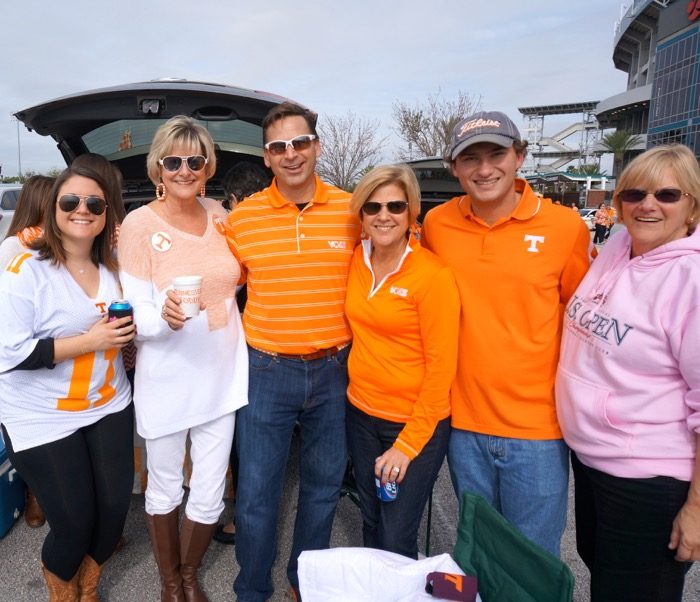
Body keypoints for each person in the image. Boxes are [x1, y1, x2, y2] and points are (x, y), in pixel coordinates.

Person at [421, 110, 590, 557]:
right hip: (465, 425)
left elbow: (585, 320)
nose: (484, 169)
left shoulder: (564, 227)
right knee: (482, 552)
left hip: (538, 429)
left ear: (519, 156)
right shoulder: (436, 225)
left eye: (496, 154)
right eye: (470, 158)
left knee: (532, 559)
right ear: (453, 167)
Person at [225, 101, 361, 601]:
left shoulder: (353, 211)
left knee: (323, 489)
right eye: (279, 146)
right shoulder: (243, 220)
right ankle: (252, 589)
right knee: (257, 496)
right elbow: (221, 286)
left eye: (300, 143)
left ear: (316, 147)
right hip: (266, 369)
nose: (291, 154)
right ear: (266, 157)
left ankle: (305, 584)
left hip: (335, 370)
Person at [556, 144, 700, 601]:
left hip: (649, 476)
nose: (648, 205)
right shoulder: (620, 246)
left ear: (692, 206)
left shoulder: (691, 279)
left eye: (668, 195)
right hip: (595, 461)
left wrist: (697, 510)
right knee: (604, 577)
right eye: (634, 194)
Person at [118, 116, 248, 602]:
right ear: (158, 166)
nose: (185, 169)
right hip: (169, 375)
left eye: (195, 160)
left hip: (223, 373)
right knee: (166, 484)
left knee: (211, 486)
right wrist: (164, 319)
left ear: (207, 165)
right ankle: (169, 582)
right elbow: (135, 313)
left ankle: (190, 574)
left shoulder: (221, 216)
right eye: (174, 160)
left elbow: (243, 279)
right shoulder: (138, 224)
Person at [0, 165, 135, 600]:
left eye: (95, 203)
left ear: (107, 214)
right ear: (53, 208)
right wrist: (89, 340)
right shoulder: (26, 270)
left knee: (114, 513)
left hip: (108, 402)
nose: (83, 210)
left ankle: (88, 583)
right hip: (41, 413)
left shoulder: (115, 267)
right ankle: (63, 590)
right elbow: (9, 352)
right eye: (70, 201)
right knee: (75, 522)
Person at [345, 164, 459, 557]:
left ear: (412, 212)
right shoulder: (355, 260)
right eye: (372, 206)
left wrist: (407, 445)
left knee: (396, 534)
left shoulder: (432, 275)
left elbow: (442, 367)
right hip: (360, 414)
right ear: (361, 214)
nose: (383, 215)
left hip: (411, 424)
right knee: (371, 519)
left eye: (395, 205)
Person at [213, 161, 272, 547]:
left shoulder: (230, 232)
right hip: (277, 349)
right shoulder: (277, 227)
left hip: (240, 348)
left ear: (232, 200)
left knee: (244, 436)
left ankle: (244, 515)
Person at [0, 175, 54, 531]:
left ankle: (38, 497)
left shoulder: (13, 243)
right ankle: (37, 495)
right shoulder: (23, 248)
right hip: (27, 350)